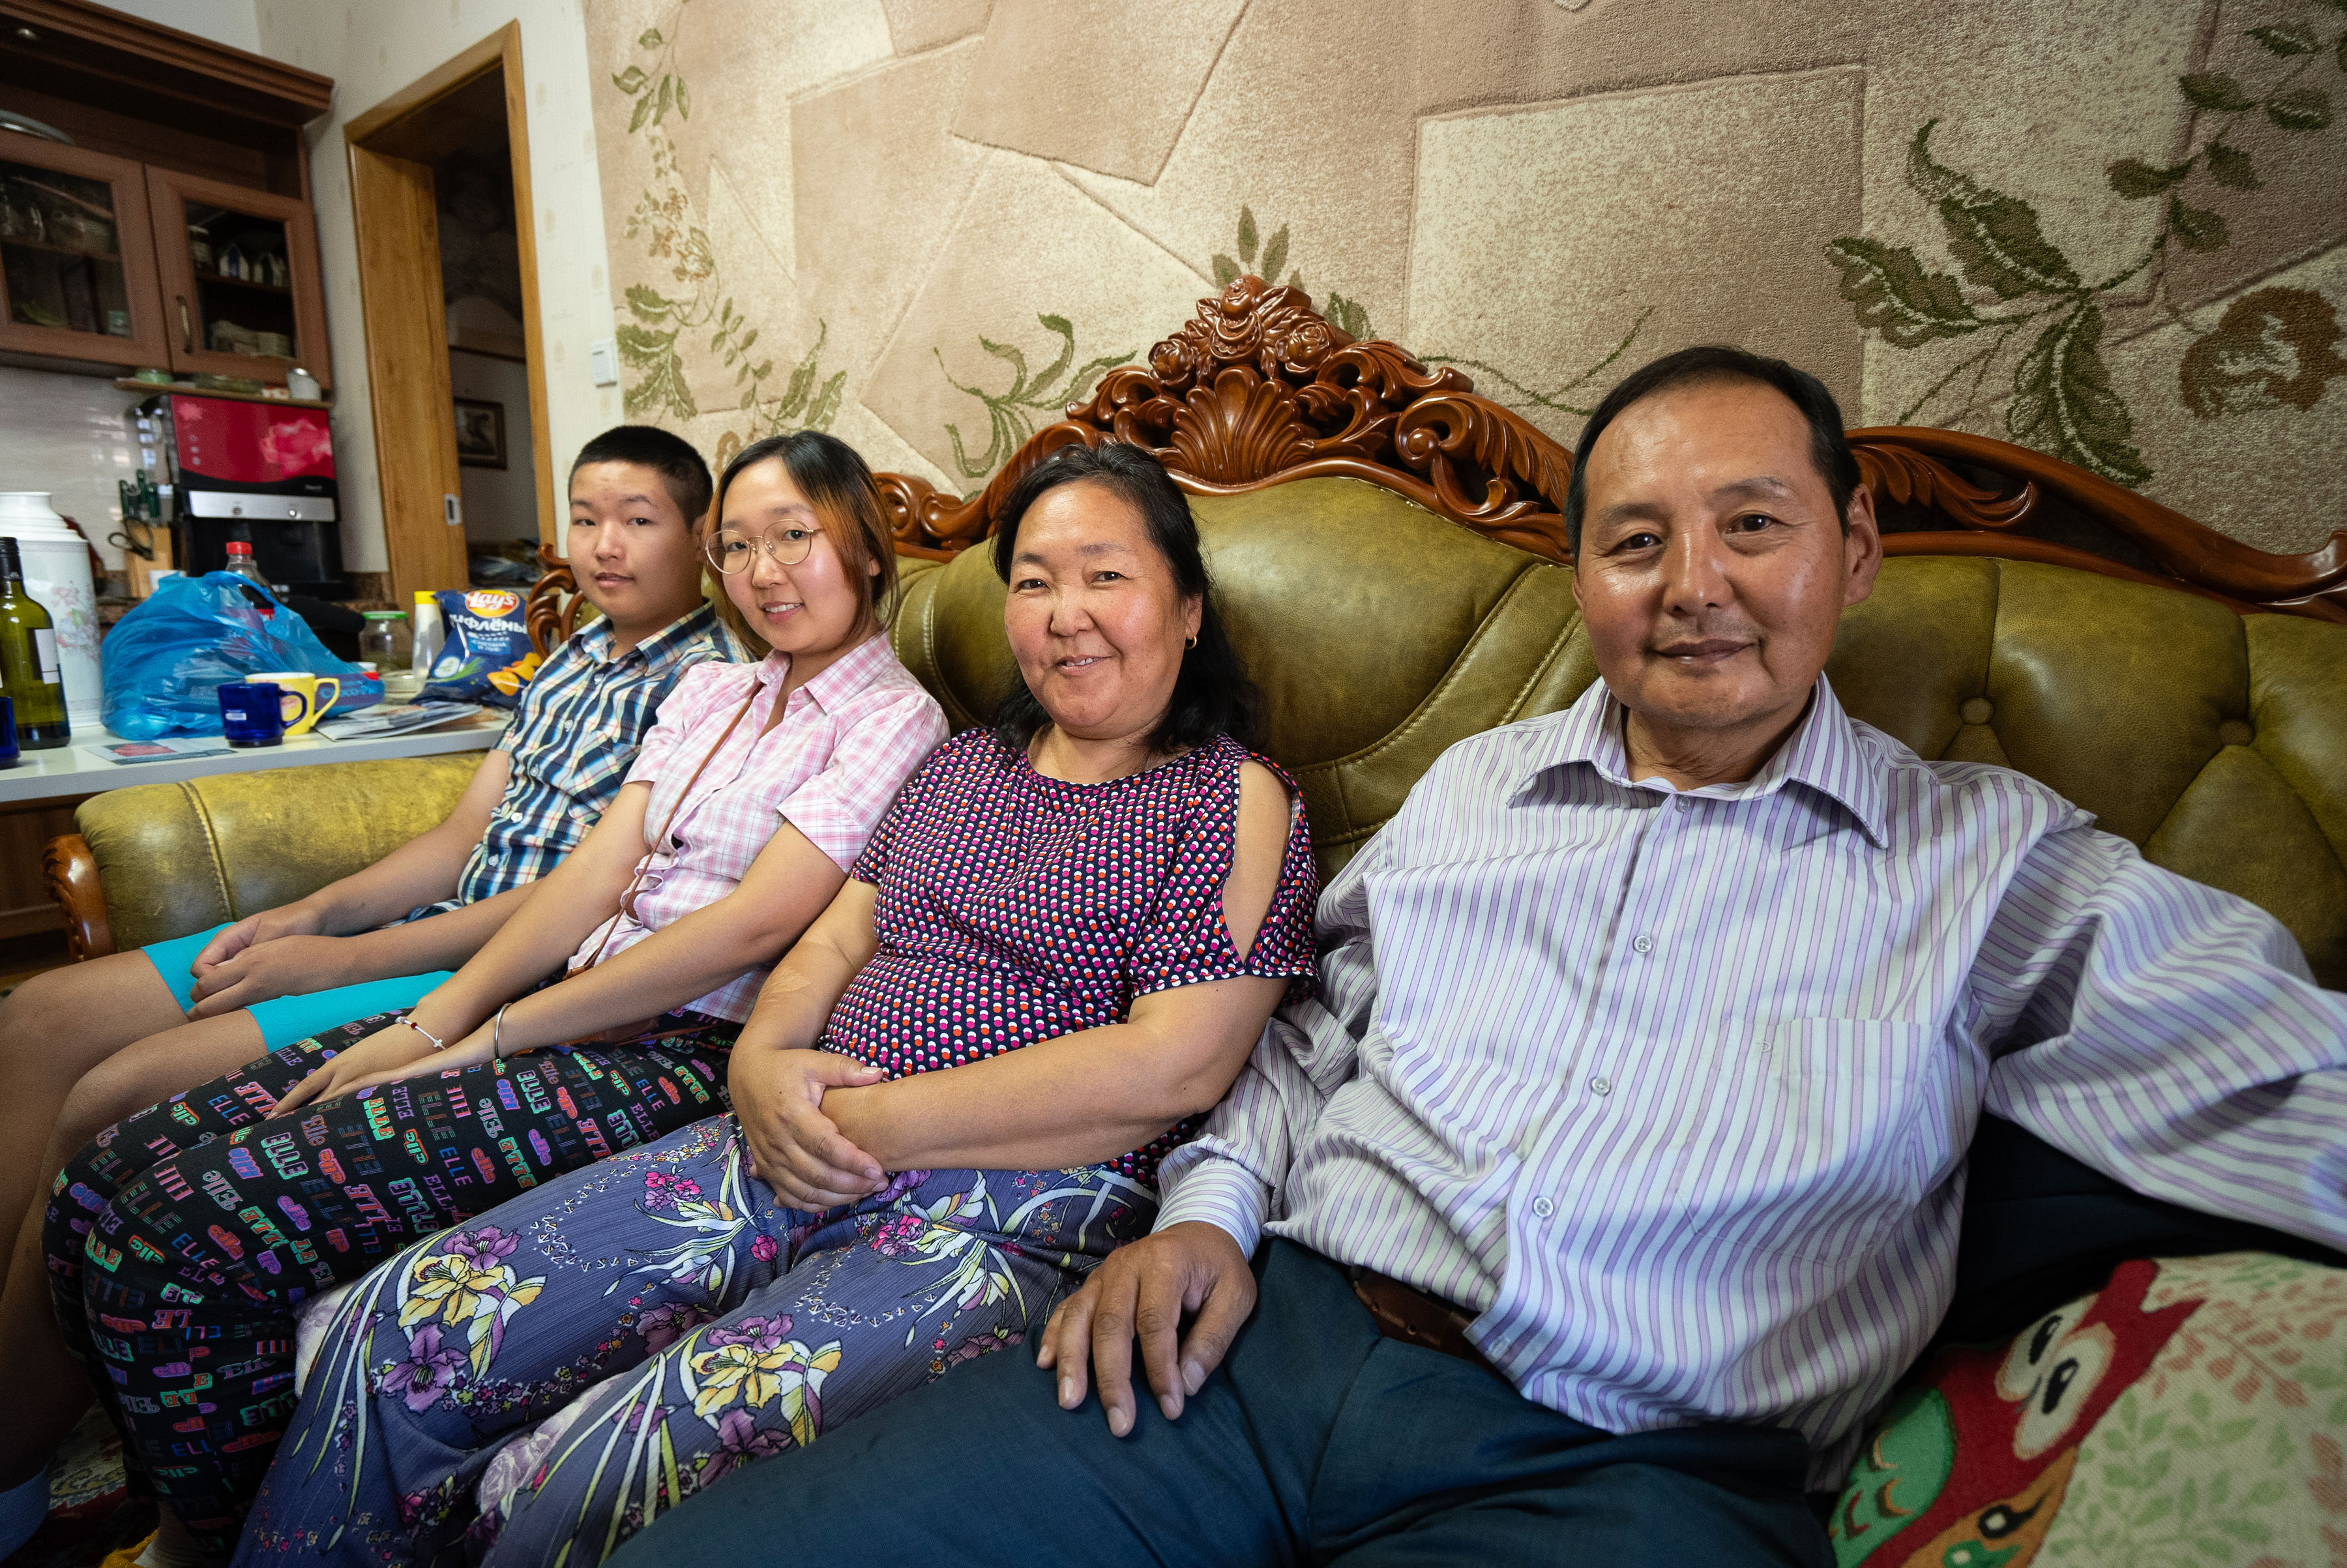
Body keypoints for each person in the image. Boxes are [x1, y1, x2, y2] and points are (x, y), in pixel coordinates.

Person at [602, 348, 2347, 1568]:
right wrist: (1208, 1209)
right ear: (1583, 573)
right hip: (1249, 1347)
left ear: (1857, 553)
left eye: (1756, 524)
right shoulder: (1476, 789)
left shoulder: (1994, 862)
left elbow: (2288, 1074)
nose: (1695, 586)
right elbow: (1303, 1030)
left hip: (1624, 1468)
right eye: (1637, 539)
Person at [229, 441, 1321, 1568]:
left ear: (1187, 608)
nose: (1063, 613)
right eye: (1034, 581)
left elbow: (1175, 1067)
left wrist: (874, 1124)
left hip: (1016, 1207)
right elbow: (839, 933)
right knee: (400, 1325)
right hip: (787, 1129)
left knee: (583, 1478)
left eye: (1106, 575)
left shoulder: (1233, 799)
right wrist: (762, 1056)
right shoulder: (964, 768)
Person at [38, 430, 951, 1568]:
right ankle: (179, 1512)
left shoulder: (897, 721)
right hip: (562, 1005)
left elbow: (754, 925)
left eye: (796, 538)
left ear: (863, 548)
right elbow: (586, 875)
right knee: (100, 1185)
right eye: (740, 545)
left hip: (674, 1053)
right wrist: (434, 1019)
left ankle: (229, 1545)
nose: (765, 571)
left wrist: (491, 1038)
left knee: (172, 1236)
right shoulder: (717, 689)